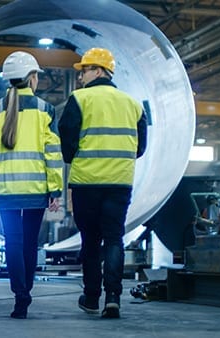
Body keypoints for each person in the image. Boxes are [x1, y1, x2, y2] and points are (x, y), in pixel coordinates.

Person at [58, 47, 147, 319]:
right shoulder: (133, 104)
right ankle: (113, 297)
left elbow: (67, 139)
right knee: (114, 238)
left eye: (84, 70)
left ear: (99, 71)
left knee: (90, 241)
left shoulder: (79, 99)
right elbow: (140, 147)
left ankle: (92, 297)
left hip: (86, 182)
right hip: (119, 183)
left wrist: (79, 156)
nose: (81, 76)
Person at [0, 51, 63, 319]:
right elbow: (52, 153)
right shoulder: (45, 109)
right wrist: (55, 189)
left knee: (12, 243)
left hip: (5, 191)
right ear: (32, 78)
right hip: (36, 190)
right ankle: (27, 290)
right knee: (29, 244)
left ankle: (20, 295)